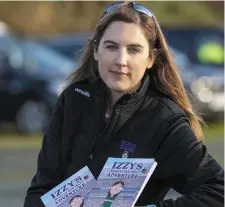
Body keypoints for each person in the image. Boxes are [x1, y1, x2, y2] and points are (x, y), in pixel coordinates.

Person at [24, 2, 224, 207]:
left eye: (133, 49)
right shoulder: (74, 99)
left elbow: (218, 190)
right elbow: (42, 188)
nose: (121, 60)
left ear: (150, 58)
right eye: (111, 46)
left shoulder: (164, 120)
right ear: (96, 50)